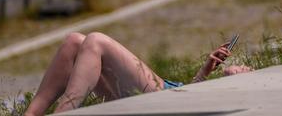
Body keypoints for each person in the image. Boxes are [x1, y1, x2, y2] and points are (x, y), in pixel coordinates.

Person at [24, 32, 253, 115]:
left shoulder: (241, 101)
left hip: (163, 98)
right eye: (246, 68)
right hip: (171, 93)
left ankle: (63, 115)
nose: (243, 68)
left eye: (247, 71)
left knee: (96, 42)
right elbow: (190, 100)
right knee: (75, 42)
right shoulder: (222, 95)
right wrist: (203, 74)